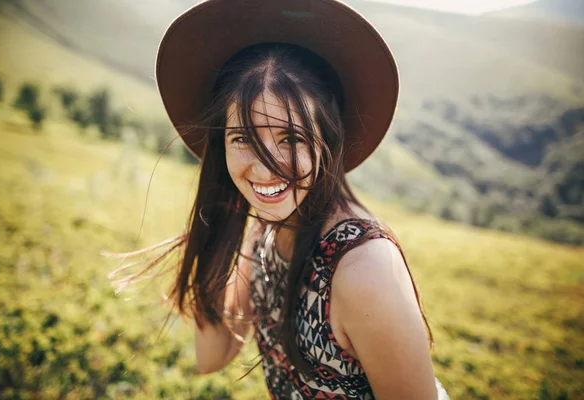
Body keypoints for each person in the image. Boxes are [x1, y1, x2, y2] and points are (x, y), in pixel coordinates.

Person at [120, 0, 451, 398]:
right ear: (220, 142)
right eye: (243, 138)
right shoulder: (263, 227)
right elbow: (212, 356)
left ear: (326, 139)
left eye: (290, 138)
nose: (264, 169)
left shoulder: (365, 268)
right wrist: (222, 230)